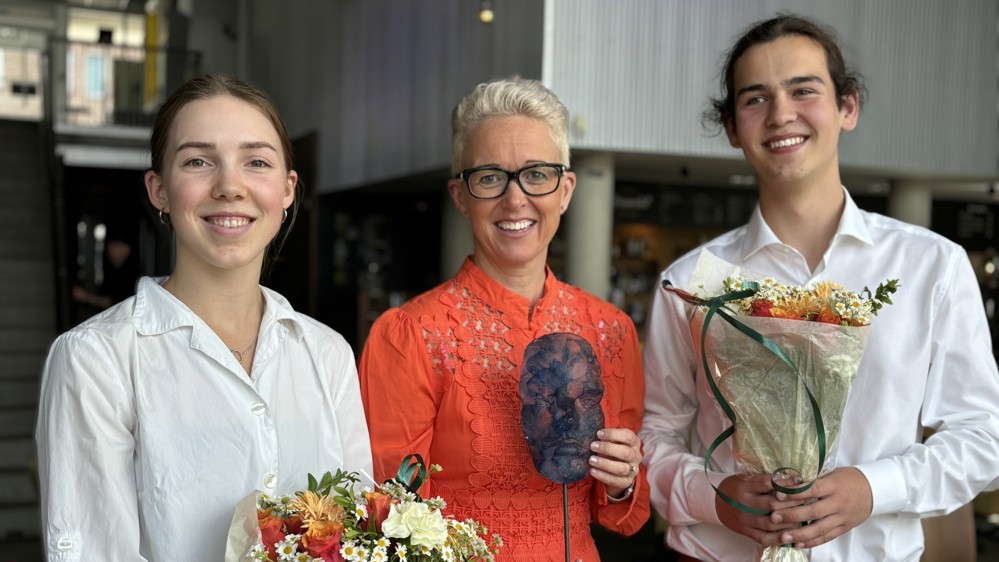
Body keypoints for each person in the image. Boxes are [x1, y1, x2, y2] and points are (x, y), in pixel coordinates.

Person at [640, 13, 999, 562]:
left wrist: (874, 488)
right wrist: (715, 499)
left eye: (803, 90)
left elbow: (981, 438)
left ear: (846, 107)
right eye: (755, 99)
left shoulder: (933, 266)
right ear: (733, 127)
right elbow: (653, 437)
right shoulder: (688, 282)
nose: (781, 113)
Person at [35, 74, 373, 561]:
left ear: (286, 190)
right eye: (197, 161)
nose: (230, 186)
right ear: (159, 191)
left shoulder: (327, 352)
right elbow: (91, 550)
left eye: (256, 162)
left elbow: (360, 530)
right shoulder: (97, 358)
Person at [358, 77, 650, 561]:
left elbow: (621, 514)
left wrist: (622, 479)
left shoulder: (611, 330)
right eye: (491, 177)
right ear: (460, 195)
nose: (516, 200)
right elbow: (386, 514)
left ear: (566, 190)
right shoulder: (412, 335)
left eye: (537, 174)